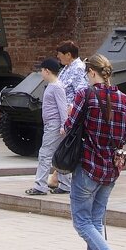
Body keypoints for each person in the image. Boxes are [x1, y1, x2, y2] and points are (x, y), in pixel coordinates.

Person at [63, 53, 126, 250]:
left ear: (92, 72)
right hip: (111, 168)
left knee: (82, 222)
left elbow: (69, 126)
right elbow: (124, 136)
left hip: (88, 164)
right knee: (95, 221)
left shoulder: (86, 95)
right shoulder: (124, 99)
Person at [26, 58, 71, 195]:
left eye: (41, 70)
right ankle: (66, 185)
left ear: (47, 71)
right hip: (53, 125)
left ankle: (40, 186)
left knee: (45, 154)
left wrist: (64, 125)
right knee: (59, 154)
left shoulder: (56, 87)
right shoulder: (53, 86)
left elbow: (62, 108)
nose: (41, 73)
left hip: (55, 125)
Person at [56, 40, 88, 112]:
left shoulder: (78, 68)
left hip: (69, 114)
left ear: (68, 55)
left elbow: (81, 94)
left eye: (59, 54)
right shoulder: (68, 66)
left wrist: (71, 109)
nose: (58, 56)